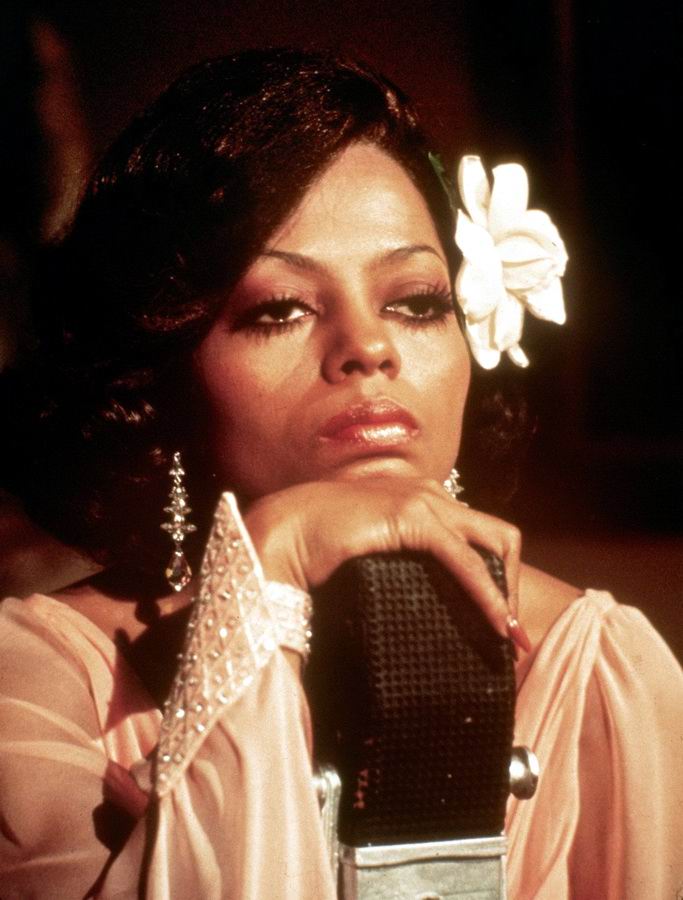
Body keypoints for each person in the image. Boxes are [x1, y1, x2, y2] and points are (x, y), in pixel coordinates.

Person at [0, 48, 680, 899]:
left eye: (416, 302)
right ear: (164, 373)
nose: (368, 347)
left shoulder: (602, 669)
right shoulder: (38, 678)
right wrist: (268, 566)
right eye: (279, 309)